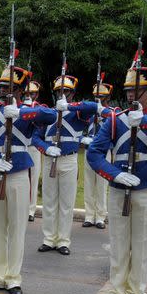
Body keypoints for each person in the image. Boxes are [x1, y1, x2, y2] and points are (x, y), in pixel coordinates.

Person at [87, 65, 147, 294]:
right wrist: (115, 174)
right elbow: (94, 153)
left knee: (142, 244)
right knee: (120, 243)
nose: (132, 96)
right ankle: (117, 292)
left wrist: (144, 120)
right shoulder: (115, 119)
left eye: (139, 91)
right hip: (120, 187)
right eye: (129, 91)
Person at [0, 66, 56, 294]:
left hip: (18, 174)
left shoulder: (28, 112)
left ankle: (13, 278)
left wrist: (21, 113)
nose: (5, 91)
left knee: (17, 229)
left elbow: (51, 116)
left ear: (20, 90)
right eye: (3, 88)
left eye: (10, 88)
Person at [32, 74, 98, 256]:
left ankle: (63, 240)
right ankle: (49, 238)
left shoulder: (78, 112)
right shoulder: (49, 113)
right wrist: (46, 149)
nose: (62, 94)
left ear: (72, 93)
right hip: (50, 160)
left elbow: (94, 107)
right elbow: (36, 137)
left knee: (66, 203)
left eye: (66, 91)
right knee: (49, 201)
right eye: (59, 91)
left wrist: (68, 106)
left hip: (69, 159)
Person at [81, 82, 115, 229]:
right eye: (96, 97)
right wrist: (83, 139)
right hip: (89, 150)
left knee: (102, 185)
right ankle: (89, 215)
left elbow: (113, 133)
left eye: (101, 97)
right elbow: (82, 129)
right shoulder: (89, 113)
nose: (98, 100)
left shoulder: (111, 113)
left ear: (107, 98)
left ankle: (100, 216)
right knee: (89, 184)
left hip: (103, 152)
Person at [23, 80, 43, 221]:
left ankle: (31, 210)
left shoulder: (39, 108)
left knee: (33, 179)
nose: (30, 95)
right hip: (22, 147)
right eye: (28, 93)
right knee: (22, 179)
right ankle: (23, 207)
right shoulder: (20, 107)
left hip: (34, 147)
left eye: (33, 93)